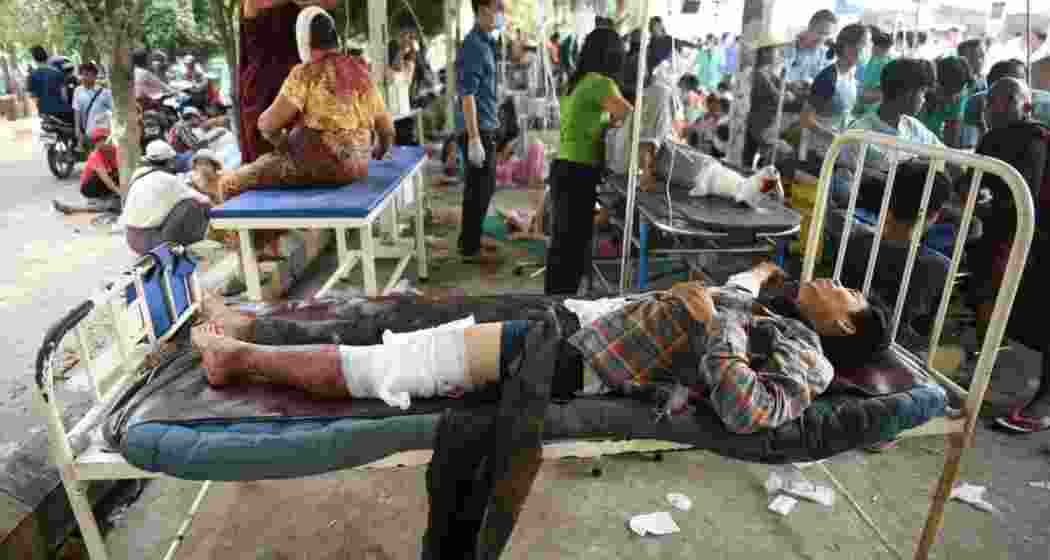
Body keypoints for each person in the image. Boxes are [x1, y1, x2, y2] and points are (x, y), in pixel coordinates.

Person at [192, 261, 891, 435]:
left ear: (846, 331)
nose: (838, 282)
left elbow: (745, 409)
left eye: (850, 294)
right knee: (402, 316)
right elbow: (748, 287)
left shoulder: (810, 360)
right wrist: (748, 285)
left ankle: (241, 355)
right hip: (578, 318)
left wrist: (711, 322)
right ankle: (253, 327)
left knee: (396, 364)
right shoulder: (773, 303)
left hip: (569, 357)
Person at [215, 8, 396, 205]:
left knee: (229, 184)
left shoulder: (306, 73)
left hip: (314, 167)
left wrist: (282, 144)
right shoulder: (361, 70)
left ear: (304, 41)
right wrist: (374, 152)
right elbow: (387, 131)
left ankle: (245, 236)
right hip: (358, 169)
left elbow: (267, 125)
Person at [960, 77, 1050, 432]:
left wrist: (991, 202)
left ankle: (1044, 397)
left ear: (1026, 105)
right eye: (991, 100)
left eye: (1006, 99)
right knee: (988, 290)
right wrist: (977, 195)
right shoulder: (990, 138)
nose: (994, 106)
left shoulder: (1035, 139)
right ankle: (986, 361)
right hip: (1002, 231)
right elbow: (974, 180)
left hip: (1034, 232)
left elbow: (1024, 191)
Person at [828, 163, 952, 351]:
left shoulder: (854, 243)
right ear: (934, 214)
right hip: (895, 351)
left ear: (889, 198)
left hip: (841, 335)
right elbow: (926, 329)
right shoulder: (939, 267)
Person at [546, 28, 633, 295]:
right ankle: (562, 305)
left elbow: (592, 123)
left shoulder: (578, 81)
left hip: (564, 168)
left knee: (563, 244)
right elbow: (631, 116)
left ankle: (555, 301)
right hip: (578, 171)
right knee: (572, 245)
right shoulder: (600, 83)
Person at [238, 0, 338, 165]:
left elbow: (329, 4)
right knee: (264, 161)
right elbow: (252, 4)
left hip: (304, 69)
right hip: (264, 82)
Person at [832, 58, 940, 207]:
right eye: (922, 92)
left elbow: (944, 154)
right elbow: (843, 183)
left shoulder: (913, 127)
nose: (923, 100)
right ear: (907, 93)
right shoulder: (859, 134)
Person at [455, 0, 506, 263]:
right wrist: (474, 138)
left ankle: (470, 242)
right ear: (484, 9)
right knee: (480, 188)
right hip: (476, 128)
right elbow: (467, 94)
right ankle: (469, 247)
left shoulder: (486, 43)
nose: (502, 12)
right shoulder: (474, 46)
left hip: (485, 124)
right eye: (499, 7)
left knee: (481, 187)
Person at [607, 35, 681, 191]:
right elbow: (646, 139)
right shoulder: (659, 92)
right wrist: (646, 174)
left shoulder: (656, 90)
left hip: (628, 158)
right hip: (630, 165)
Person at [121, 140, 213, 255]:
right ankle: (189, 243)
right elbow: (205, 200)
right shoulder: (169, 180)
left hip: (131, 239)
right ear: (170, 162)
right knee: (192, 204)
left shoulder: (138, 173)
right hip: (151, 242)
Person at [798, 24, 870, 165]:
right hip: (816, 155)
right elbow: (805, 119)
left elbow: (843, 111)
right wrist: (833, 136)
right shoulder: (827, 78)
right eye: (865, 45)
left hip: (835, 151)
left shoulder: (851, 75)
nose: (867, 50)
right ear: (849, 47)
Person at [745, 32, 802, 167]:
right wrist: (788, 94)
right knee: (787, 153)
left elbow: (783, 86)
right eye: (776, 50)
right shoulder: (758, 75)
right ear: (765, 52)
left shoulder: (767, 72)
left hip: (770, 125)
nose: (779, 53)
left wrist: (792, 86)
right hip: (761, 128)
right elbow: (779, 97)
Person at [919, 56, 972, 147]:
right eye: (948, 93)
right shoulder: (917, 101)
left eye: (957, 93)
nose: (952, 99)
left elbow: (952, 139)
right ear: (935, 83)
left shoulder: (959, 98)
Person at [69, 129, 122, 212]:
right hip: (89, 186)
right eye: (98, 141)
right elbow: (106, 179)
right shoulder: (95, 156)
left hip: (105, 181)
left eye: (104, 139)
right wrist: (120, 193)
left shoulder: (115, 150)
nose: (101, 143)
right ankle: (106, 198)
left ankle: (110, 196)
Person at [784, 10, 838, 86]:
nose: (822, 38)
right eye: (820, 32)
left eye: (826, 34)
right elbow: (778, 76)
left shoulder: (826, 56)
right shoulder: (788, 48)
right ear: (810, 27)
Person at [387, 17, 418, 145]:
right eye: (404, 36)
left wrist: (406, 48)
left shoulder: (409, 64)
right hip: (391, 115)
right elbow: (396, 68)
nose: (408, 40)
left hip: (404, 114)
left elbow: (405, 74)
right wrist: (401, 49)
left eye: (411, 37)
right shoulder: (392, 48)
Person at [72, 62, 113, 151]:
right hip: (87, 132)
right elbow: (77, 111)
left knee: (99, 155)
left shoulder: (105, 93)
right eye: (82, 74)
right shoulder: (77, 91)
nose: (83, 77)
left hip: (102, 132)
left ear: (94, 76)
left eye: (87, 74)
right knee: (92, 156)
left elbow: (113, 111)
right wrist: (77, 129)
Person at [27, 46, 73, 123]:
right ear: (46, 57)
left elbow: (34, 97)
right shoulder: (58, 73)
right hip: (63, 111)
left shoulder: (32, 76)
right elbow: (64, 96)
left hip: (46, 114)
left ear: (34, 59)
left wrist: (42, 108)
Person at [855, 27, 894, 116]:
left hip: (875, 109)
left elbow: (880, 93)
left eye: (874, 46)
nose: (872, 49)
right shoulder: (874, 59)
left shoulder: (887, 64)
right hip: (866, 105)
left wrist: (861, 96)